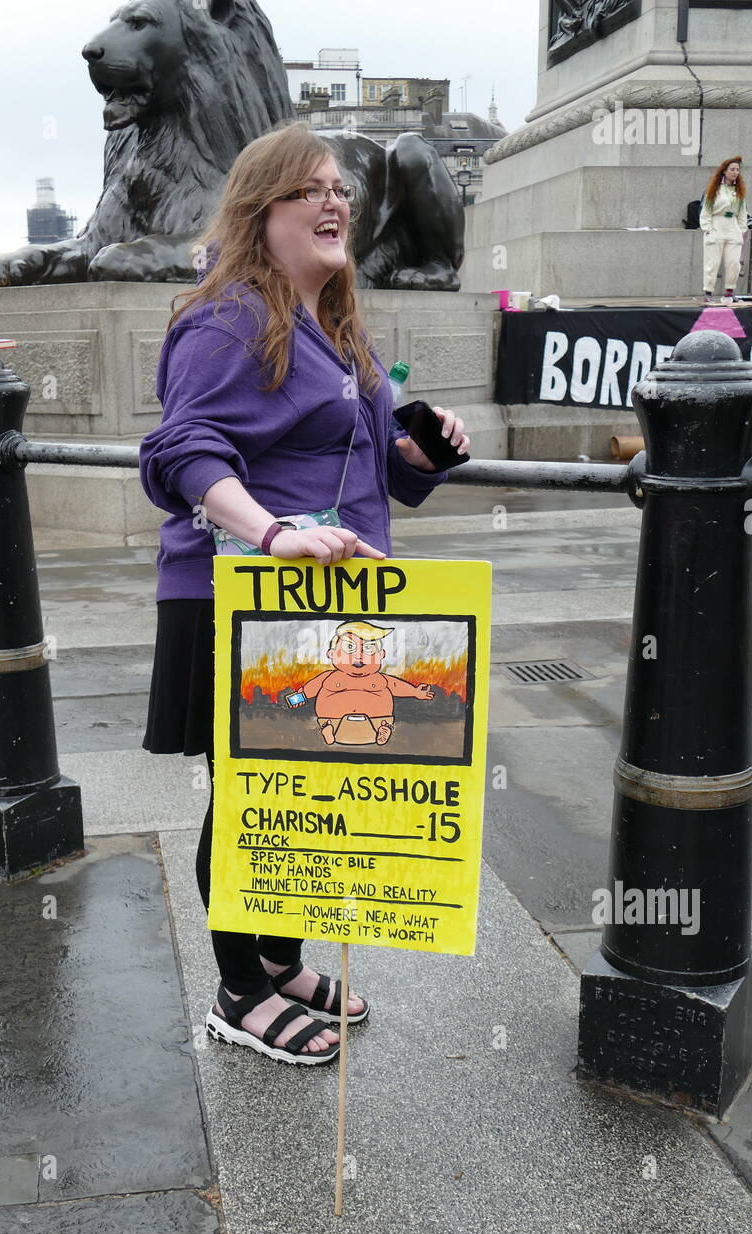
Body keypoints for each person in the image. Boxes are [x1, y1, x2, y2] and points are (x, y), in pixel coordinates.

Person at [138, 122, 470, 1067]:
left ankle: (279, 959)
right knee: (253, 798)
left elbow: (369, 477)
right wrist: (274, 534)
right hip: (235, 593)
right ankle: (239, 991)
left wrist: (418, 451)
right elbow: (181, 452)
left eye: (339, 190)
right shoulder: (228, 316)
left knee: (307, 787)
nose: (335, 202)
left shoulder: (336, 329)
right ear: (260, 214)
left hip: (323, 598)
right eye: (307, 191)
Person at [700, 156, 748, 304]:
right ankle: (708, 292)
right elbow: (706, 211)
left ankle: (729, 292)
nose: (735, 172)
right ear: (724, 171)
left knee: (733, 262)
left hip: (732, 226)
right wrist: (708, 229)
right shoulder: (714, 189)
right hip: (717, 224)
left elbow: (742, 212)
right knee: (712, 262)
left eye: (737, 170)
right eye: (732, 169)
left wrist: (741, 229)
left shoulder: (738, 191)